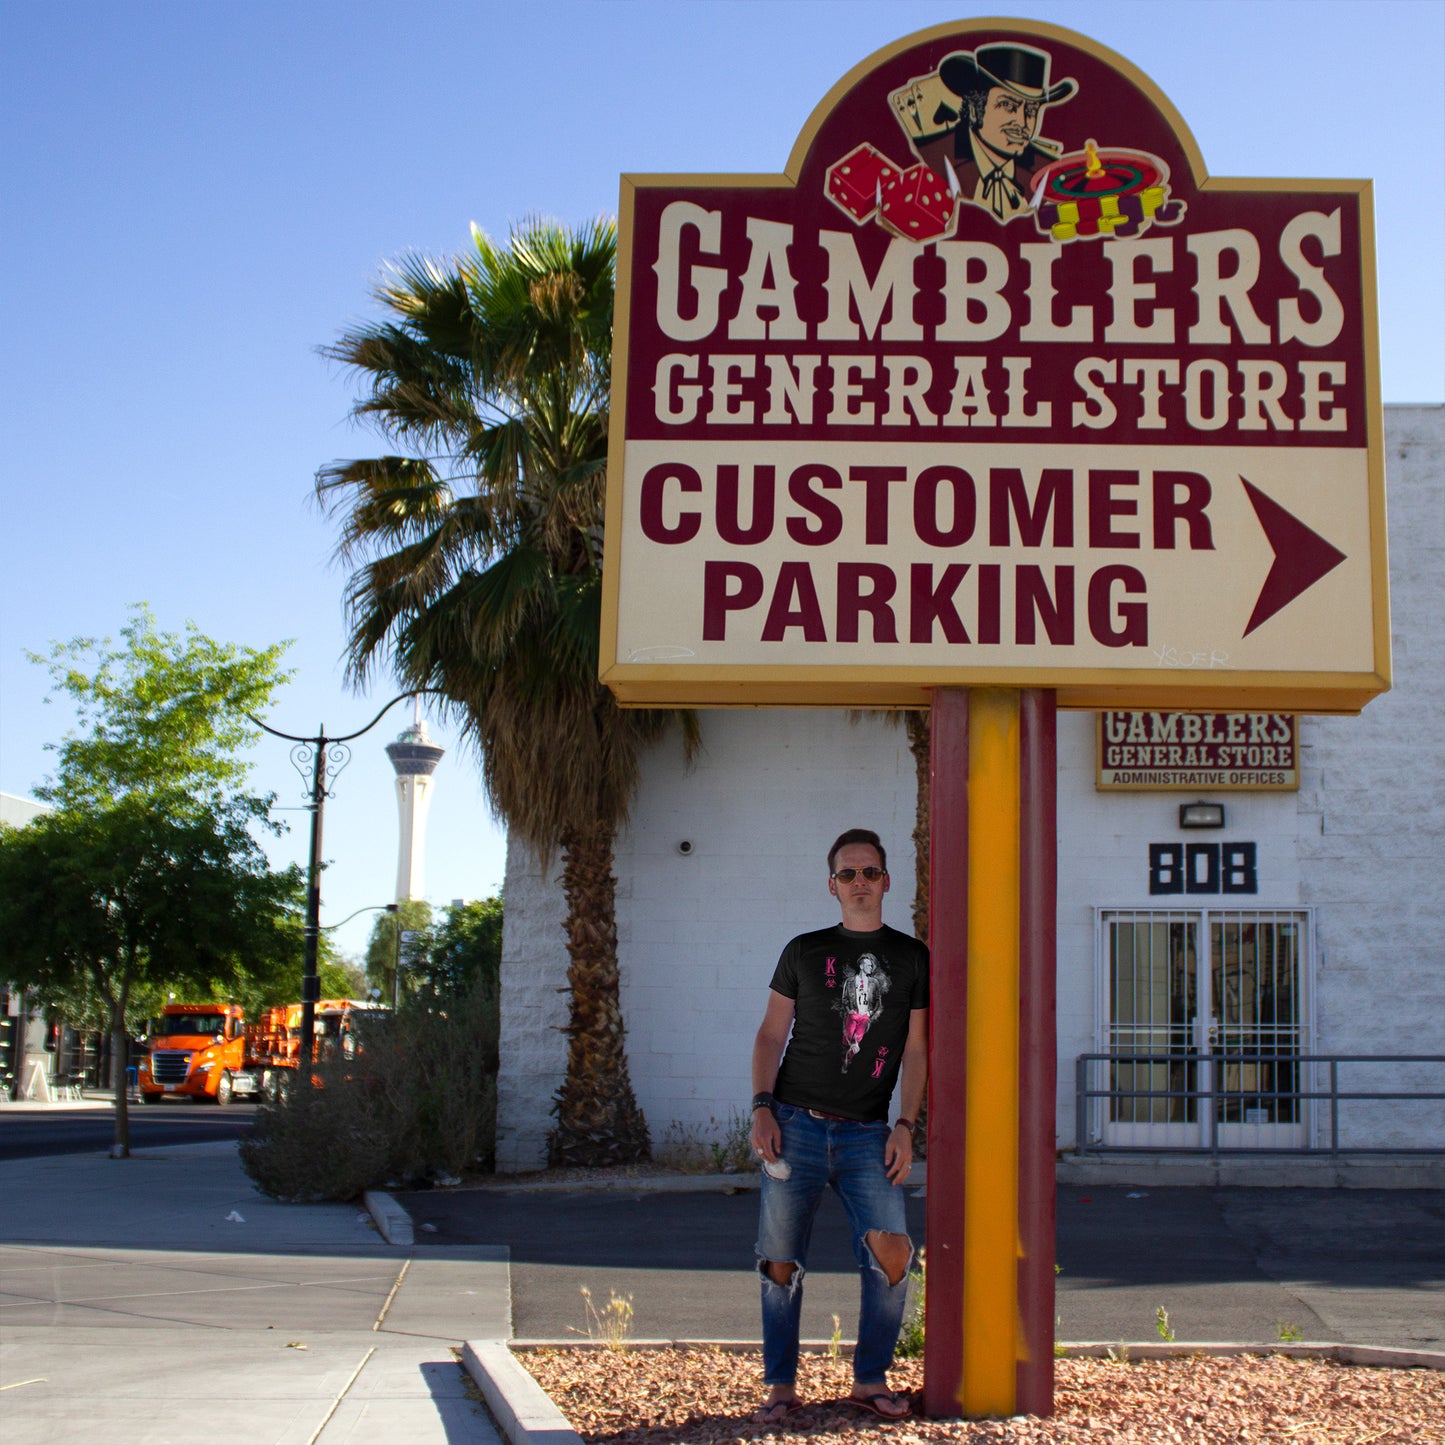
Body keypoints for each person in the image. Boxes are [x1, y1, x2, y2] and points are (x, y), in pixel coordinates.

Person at [748, 828, 929, 1423]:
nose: (859, 883)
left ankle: (870, 1377)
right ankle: (780, 1385)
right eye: (848, 874)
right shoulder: (804, 950)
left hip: (866, 1134)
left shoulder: (910, 958)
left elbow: (918, 1050)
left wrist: (905, 1125)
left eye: (869, 872)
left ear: (886, 880)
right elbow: (772, 1034)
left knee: (893, 1253)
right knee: (780, 1260)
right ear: (832, 885)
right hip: (794, 1125)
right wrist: (762, 1107)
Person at [915, 42, 1077, 222]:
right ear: (975, 109)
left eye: (1031, 111)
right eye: (1008, 105)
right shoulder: (932, 158)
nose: (1023, 123)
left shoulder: (1047, 173)